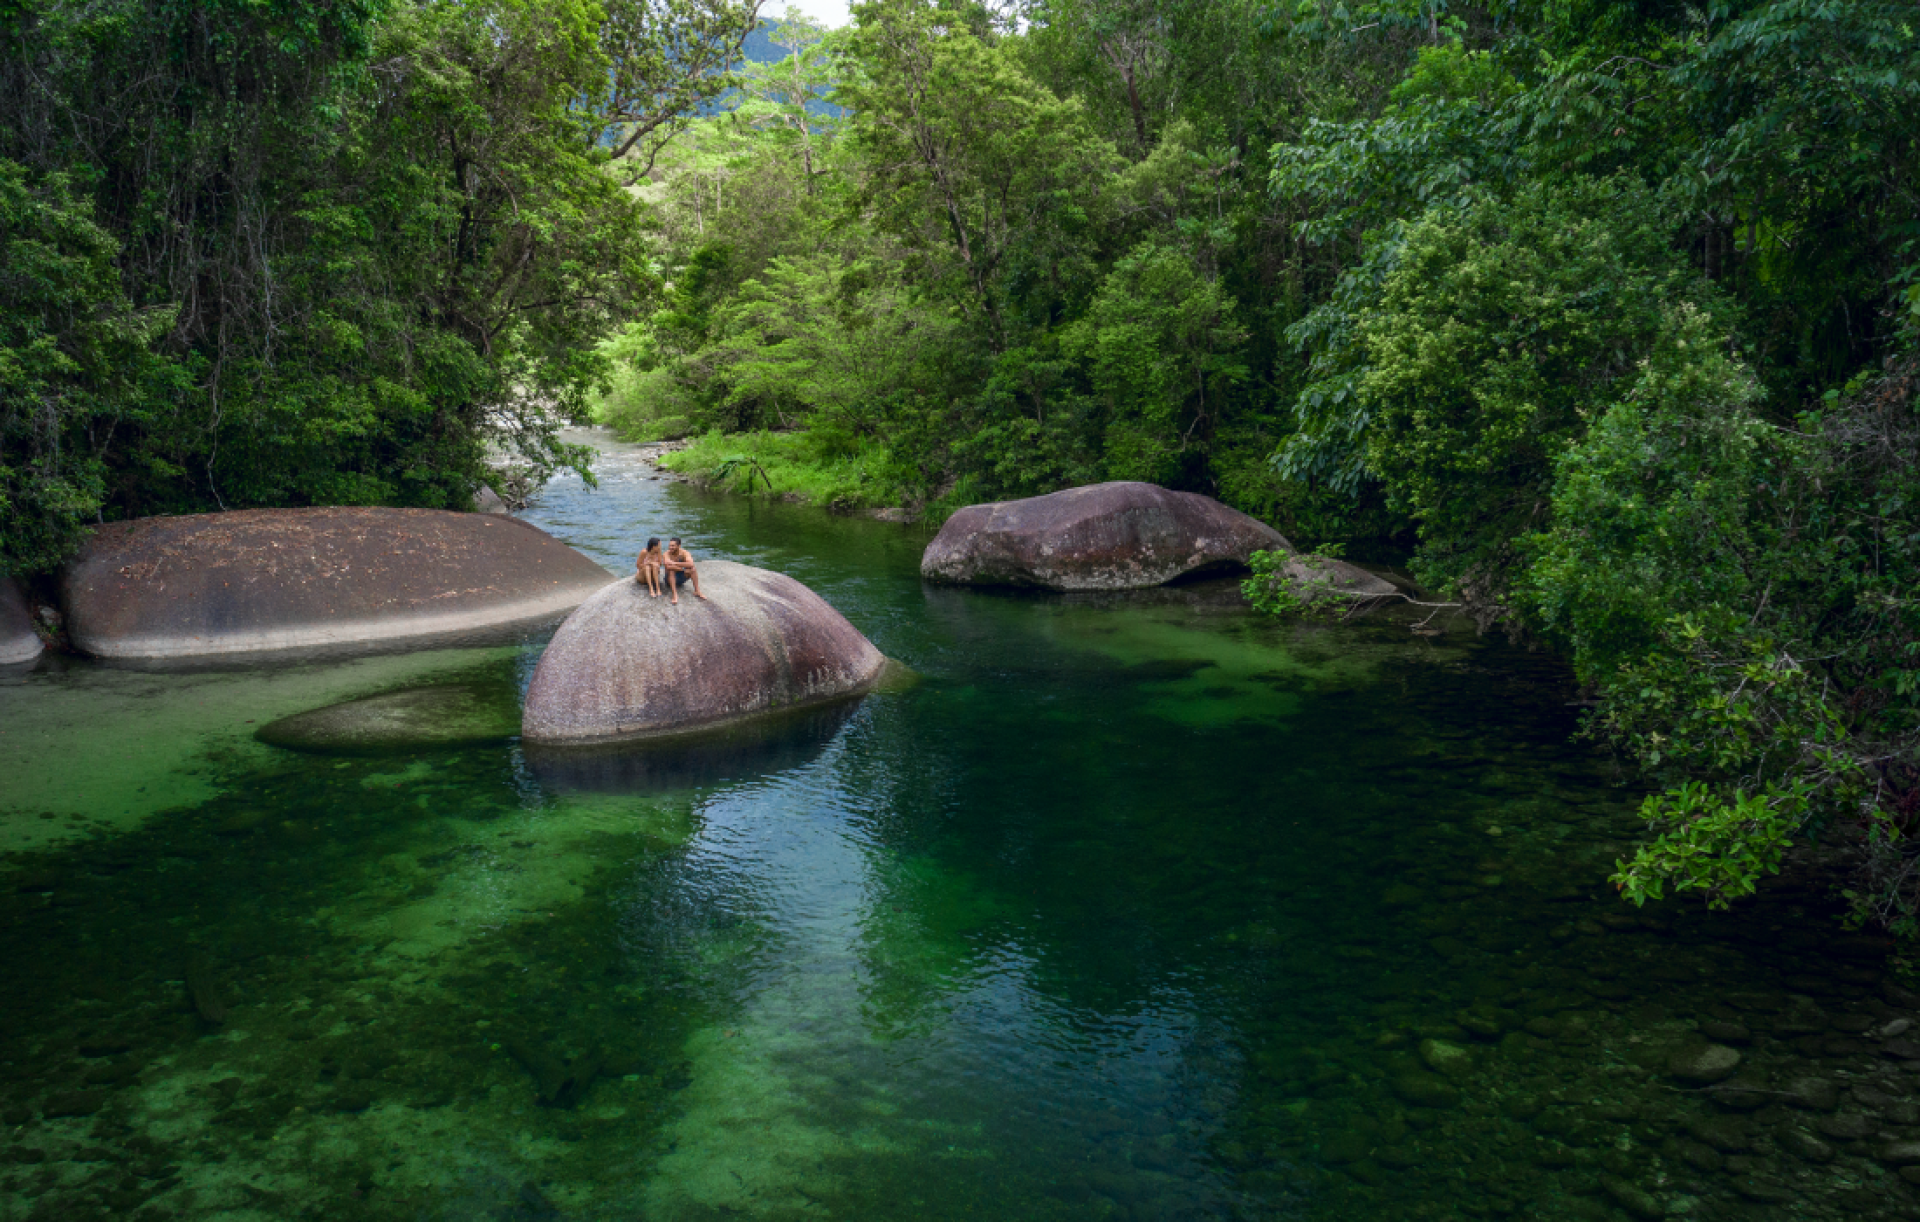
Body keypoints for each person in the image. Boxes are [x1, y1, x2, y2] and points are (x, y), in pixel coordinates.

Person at [662, 537, 706, 603]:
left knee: (692, 569)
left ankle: (697, 591)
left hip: (681, 577)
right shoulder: (666, 554)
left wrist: (674, 563)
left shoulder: (684, 553)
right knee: (671, 570)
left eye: (673, 546)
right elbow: (668, 567)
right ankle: (674, 595)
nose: (670, 547)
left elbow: (691, 563)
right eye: (669, 545)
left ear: (679, 546)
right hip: (669, 580)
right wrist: (683, 570)